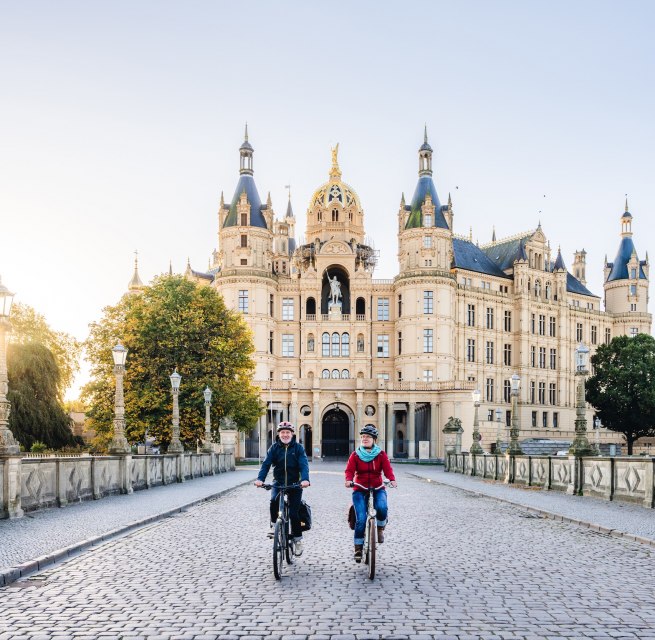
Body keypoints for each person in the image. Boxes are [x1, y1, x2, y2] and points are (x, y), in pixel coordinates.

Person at [255, 421, 310, 555]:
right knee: (273, 501)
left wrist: (305, 479)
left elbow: (303, 465)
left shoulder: (298, 448)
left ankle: (297, 540)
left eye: (288, 432)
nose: (285, 435)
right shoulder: (274, 448)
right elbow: (266, 464)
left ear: (292, 434)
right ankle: (275, 526)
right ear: (279, 434)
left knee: (293, 513)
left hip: (295, 484)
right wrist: (260, 479)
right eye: (282, 432)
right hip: (278, 482)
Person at [344, 425, 397, 562]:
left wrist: (392, 479)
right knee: (361, 518)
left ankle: (380, 528)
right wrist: (349, 480)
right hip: (359, 488)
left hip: (378, 487)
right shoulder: (355, 455)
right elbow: (349, 470)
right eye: (363, 437)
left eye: (368, 437)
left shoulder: (381, 454)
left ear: (374, 439)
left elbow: (387, 469)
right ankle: (358, 548)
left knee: (382, 507)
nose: (365, 439)